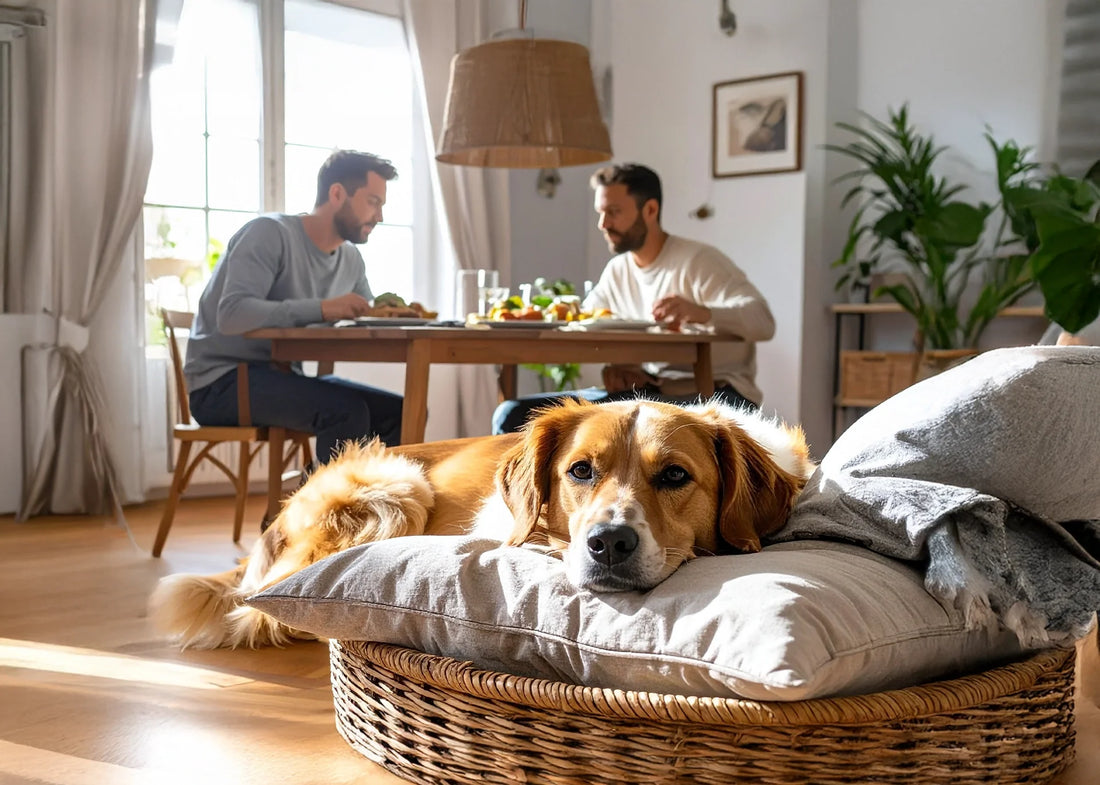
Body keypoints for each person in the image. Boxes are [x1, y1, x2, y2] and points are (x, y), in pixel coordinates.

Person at [492, 162, 776, 434]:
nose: (603, 224)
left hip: (718, 393)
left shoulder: (699, 261)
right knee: (513, 415)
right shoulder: (618, 270)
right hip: (649, 392)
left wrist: (702, 312)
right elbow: (584, 324)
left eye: (614, 212)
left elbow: (763, 321)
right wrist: (619, 366)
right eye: (600, 212)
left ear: (650, 210)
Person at [184, 149, 403, 466]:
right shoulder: (269, 234)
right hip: (221, 383)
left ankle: (362, 510)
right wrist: (324, 308)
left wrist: (392, 314)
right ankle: (315, 513)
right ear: (337, 193)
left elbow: (363, 318)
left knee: (398, 413)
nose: (379, 217)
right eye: (373, 202)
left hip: (285, 375)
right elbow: (232, 315)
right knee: (346, 412)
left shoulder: (351, 260)